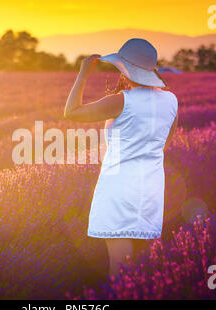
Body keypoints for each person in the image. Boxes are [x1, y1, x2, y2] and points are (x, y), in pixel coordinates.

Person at [64, 39, 178, 276]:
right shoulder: (171, 100)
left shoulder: (122, 101)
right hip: (152, 188)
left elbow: (71, 112)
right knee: (144, 269)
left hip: (119, 189)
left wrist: (83, 75)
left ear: (124, 69)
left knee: (121, 271)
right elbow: (164, 145)